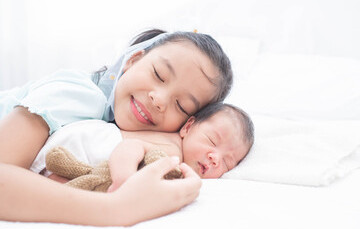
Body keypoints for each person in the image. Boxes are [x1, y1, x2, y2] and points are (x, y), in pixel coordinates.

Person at [0, 28, 233, 226]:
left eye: (181, 106)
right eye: (158, 75)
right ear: (133, 60)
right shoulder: (79, 93)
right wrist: (116, 208)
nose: (159, 99)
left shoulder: (109, 133)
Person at [38, 103, 254, 190]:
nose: (216, 157)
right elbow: (130, 147)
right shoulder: (172, 149)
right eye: (212, 141)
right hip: (85, 143)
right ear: (188, 127)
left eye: (227, 162)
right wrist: (125, 180)